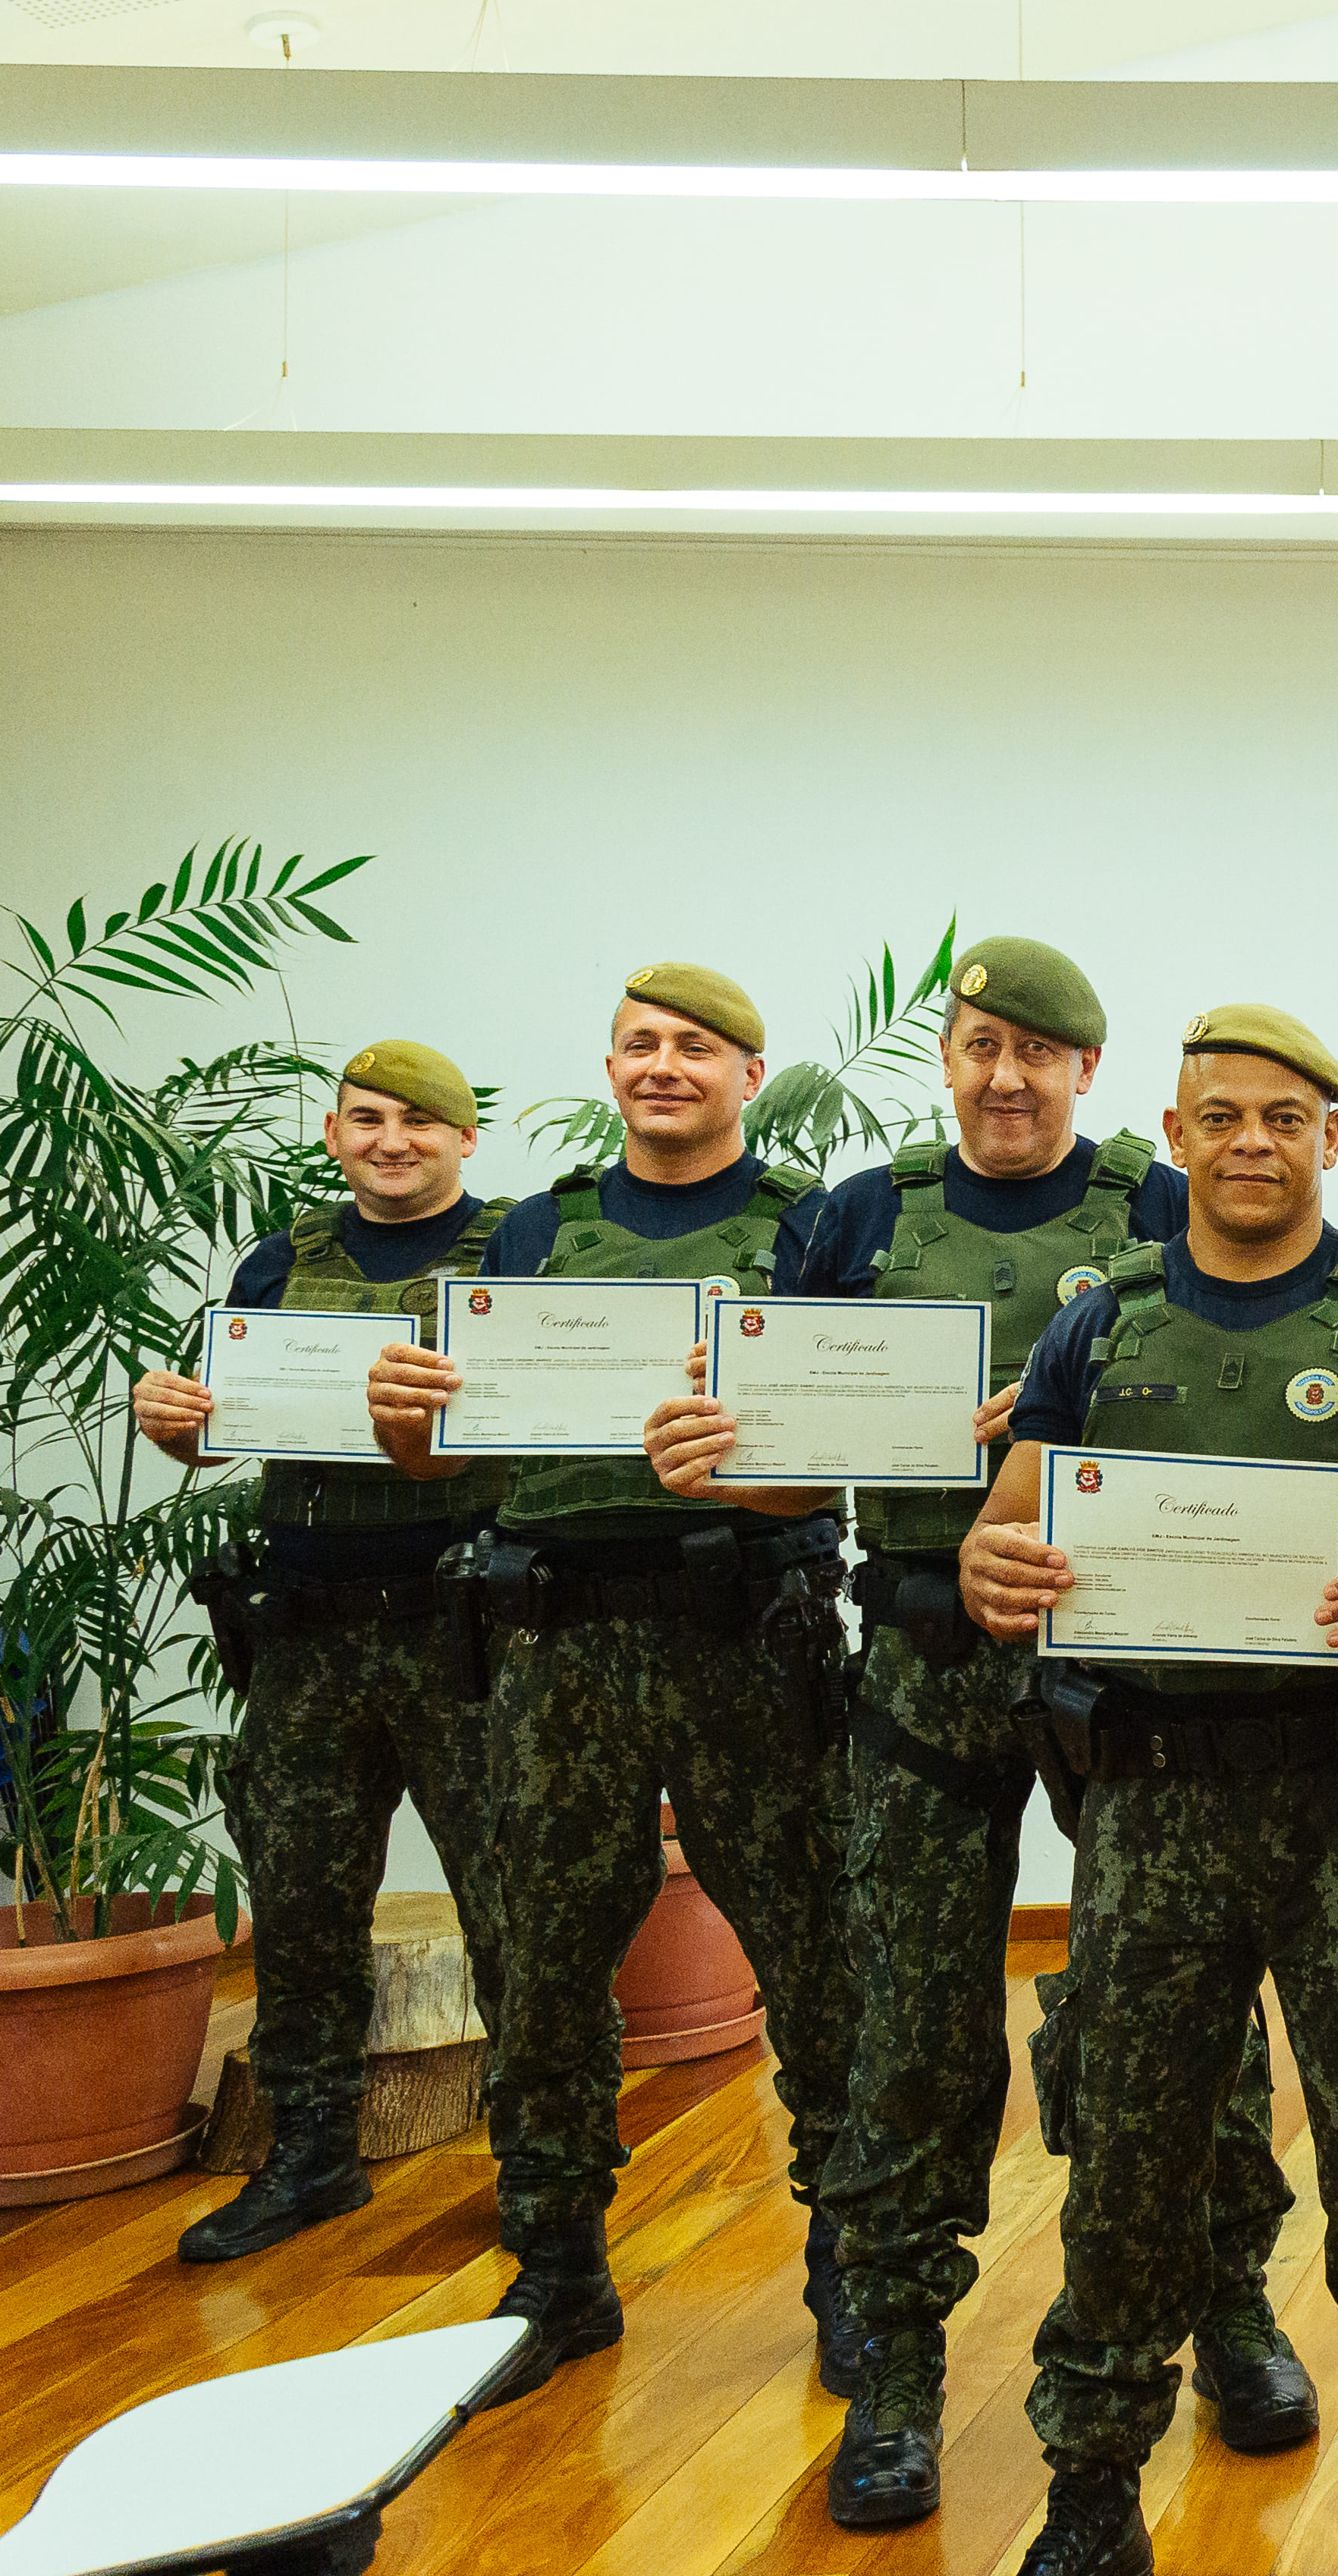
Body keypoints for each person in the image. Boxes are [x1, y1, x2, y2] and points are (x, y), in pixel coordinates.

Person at [958, 1003, 1338, 2576]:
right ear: (1176, 1138)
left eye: (1285, 1116)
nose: (1253, 1144)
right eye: (1220, 1118)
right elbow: (1003, 1541)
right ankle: (1090, 2497)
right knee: (1129, 2160)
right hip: (1150, 1811)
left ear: (1329, 1137)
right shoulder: (1100, 1327)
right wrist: (994, 1567)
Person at [801, 939, 1305, 2533]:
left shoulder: (1158, 1205)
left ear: (1090, 1075)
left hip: (1126, 1668)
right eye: (979, 1045)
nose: (1006, 1076)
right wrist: (716, 1424)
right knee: (907, 2027)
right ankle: (892, 2367)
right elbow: (779, 1424)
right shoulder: (860, 1217)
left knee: (1185, 2005)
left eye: (1041, 1052)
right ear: (945, 1058)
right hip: (922, 1665)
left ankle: (1227, 2303)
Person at [366, 963, 860, 2405]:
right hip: (555, 1643)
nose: (664, 1066)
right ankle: (558, 2270)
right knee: (540, 1970)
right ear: (610, 1065)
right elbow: (448, 1461)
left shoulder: (809, 1233)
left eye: (695, 1047)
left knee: (818, 1955)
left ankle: (849, 2263)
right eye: (639, 1044)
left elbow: (846, 1440)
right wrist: (406, 1427)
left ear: (747, 1077)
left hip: (742, 1633)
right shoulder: (538, 1229)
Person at [137, 1041, 511, 2266]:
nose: (390, 1140)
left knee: (516, 1909)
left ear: (464, 1138)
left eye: (417, 1119)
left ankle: (539, 2160)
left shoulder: (509, 1255)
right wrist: (177, 1425)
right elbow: (221, 1429)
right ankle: (310, 2153)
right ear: (337, 1135)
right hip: (302, 1629)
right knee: (300, 1904)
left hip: (459, 1628)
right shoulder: (278, 1262)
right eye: (364, 1120)